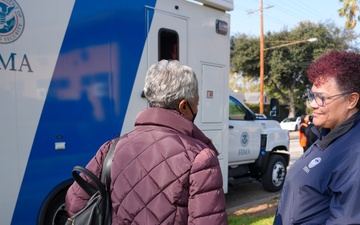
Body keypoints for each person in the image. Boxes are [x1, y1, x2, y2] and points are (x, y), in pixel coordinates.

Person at [65, 60, 228, 225]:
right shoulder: (200, 157)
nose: (197, 110)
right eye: (197, 104)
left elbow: (75, 203)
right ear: (183, 106)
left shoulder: (111, 149)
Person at [273, 50, 360, 224]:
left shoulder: (354, 152)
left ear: (351, 100)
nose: (312, 104)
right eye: (312, 95)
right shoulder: (326, 135)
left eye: (322, 98)